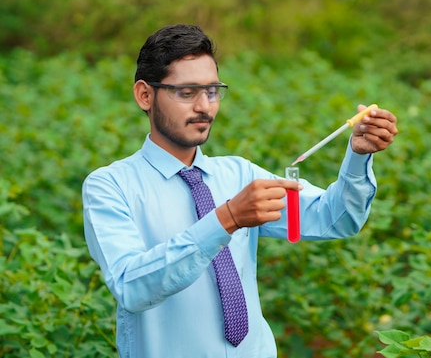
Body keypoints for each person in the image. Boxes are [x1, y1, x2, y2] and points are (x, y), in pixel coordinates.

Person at [82, 23, 398, 358]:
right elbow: (132, 286)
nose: (205, 107)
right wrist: (226, 219)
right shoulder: (110, 186)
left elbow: (334, 219)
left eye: (213, 91)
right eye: (187, 93)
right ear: (145, 95)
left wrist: (358, 156)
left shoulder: (238, 174)